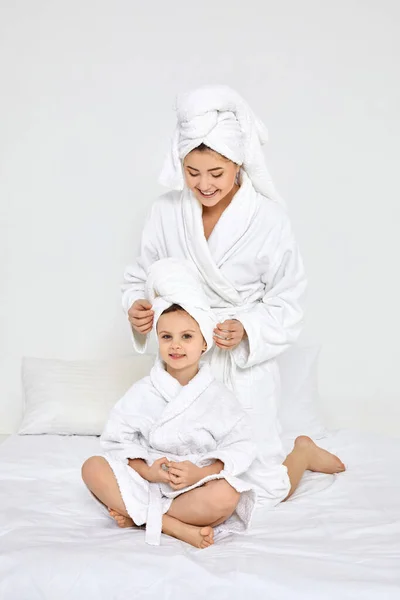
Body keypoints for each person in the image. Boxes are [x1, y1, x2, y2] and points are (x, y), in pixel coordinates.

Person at [122, 84, 312, 497]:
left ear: (239, 164)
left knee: (260, 491)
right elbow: (141, 276)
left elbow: (287, 299)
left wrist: (245, 328)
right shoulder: (165, 212)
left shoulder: (269, 219)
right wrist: (138, 308)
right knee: (176, 481)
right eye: (192, 173)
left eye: (216, 173)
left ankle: (303, 453)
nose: (204, 184)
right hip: (185, 359)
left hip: (239, 363)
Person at [82, 259, 345, 549]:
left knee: (227, 496)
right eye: (166, 337)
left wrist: (201, 473)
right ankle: (173, 526)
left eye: (187, 337)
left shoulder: (218, 397)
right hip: (150, 481)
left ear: (204, 343)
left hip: (194, 485)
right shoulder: (143, 391)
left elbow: (241, 445)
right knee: (92, 467)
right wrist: (148, 471)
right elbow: (117, 440)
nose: (176, 345)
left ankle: (138, 517)